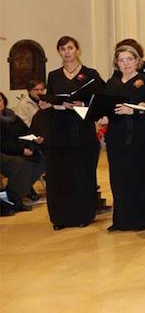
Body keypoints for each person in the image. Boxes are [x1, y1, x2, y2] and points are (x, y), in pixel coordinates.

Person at [39, 36, 105, 230]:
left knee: (82, 174)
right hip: (58, 132)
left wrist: (82, 103)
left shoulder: (91, 74)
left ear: (77, 50)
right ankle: (60, 217)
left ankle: (83, 214)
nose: (67, 52)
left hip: (82, 130)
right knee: (59, 176)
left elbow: (101, 102)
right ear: (59, 52)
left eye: (70, 48)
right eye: (62, 49)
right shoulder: (54, 75)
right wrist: (47, 104)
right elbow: (50, 101)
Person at [101, 45, 145, 231]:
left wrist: (132, 110)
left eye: (129, 59)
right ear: (116, 63)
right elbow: (105, 106)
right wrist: (102, 115)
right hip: (116, 135)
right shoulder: (112, 83)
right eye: (121, 60)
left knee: (140, 175)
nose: (125, 63)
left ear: (137, 61)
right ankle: (122, 219)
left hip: (140, 135)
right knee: (119, 177)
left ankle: (143, 218)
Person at [1, 91, 44, 211]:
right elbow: (3, 143)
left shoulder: (12, 115)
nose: (0, 103)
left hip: (18, 147)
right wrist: (21, 150)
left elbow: (25, 131)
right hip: (5, 151)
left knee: (42, 161)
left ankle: (19, 193)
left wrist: (35, 139)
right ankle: (14, 199)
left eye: (0, 100)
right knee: (20, 163)